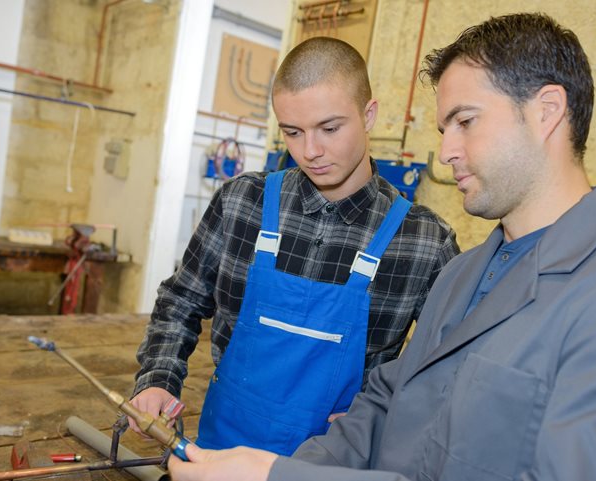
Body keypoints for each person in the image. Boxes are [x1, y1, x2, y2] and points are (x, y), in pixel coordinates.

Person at [166, 12, 596, 481]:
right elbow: (386, 405)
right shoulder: (462, 276)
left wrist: (281, 475)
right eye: (445, 130)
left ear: (546, 111)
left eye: (465, 122)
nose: (445, 152)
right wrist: (274, 471)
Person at [130, 36, 459, 456]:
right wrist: (158, 379)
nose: (311, 151)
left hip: (335, 462)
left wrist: (390, 411)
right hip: (222, 453)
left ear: (369, 114)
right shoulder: (241, 203)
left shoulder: (425, 243)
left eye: (330, 128)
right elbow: (180, 301)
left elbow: (448, 366)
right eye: (292, 131)